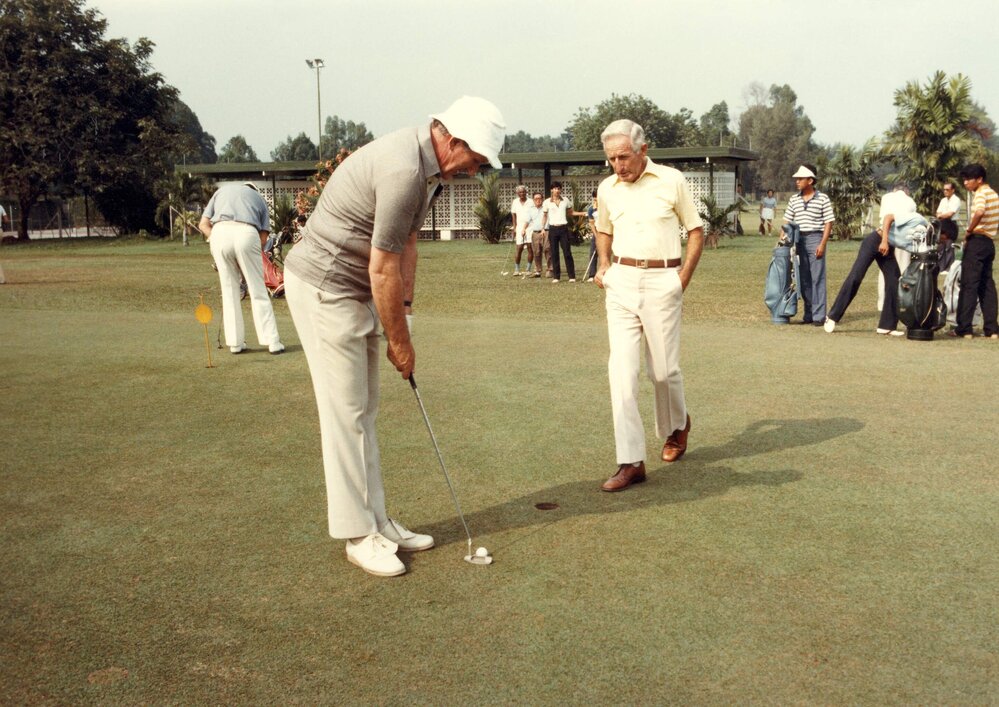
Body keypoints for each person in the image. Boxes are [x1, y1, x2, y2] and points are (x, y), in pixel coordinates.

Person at [282, 96, 506, 577]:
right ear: (453, 140)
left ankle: (378, 521)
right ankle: (357, 534)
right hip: (325, 287)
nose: (475, 171)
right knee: (345, 413)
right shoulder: (404, 171)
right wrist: (399, 342)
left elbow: (405, 244)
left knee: (363, 410)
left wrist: (404, 309)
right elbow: (381, 267)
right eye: (476, 160)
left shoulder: (427, 171)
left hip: (354, 286)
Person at [593, 119, 704, 492]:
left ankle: (677, 425)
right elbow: (603, 228)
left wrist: (681, 279)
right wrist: (604, 264)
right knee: (621, 373)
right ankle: (631, 461)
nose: (618, 165)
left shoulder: (672, 180)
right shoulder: (607, 187)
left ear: (643, 150)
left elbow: (695, 230)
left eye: (623, 156)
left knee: (663, 372)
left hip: (664, 281)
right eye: (611, 159)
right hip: (621, 283)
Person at [199, 182, 284, 354]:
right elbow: (263, 238)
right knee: (258, 290)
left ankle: (235, 344)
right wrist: (248, 256)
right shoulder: (259, 198)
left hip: (219, 233)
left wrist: (215, 240)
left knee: (230, 291)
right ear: (253, 189)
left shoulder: (221, 191)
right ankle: (272, 342)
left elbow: (203, 225)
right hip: (247, 233)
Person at [823, 184, 913, 336]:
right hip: (875, 241)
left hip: (887, 245)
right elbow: (887, 218)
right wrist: (884, 241)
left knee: (894, 282)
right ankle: (832, 317)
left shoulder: (905, 203)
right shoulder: (895, 199)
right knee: (856, 276)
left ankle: (887, 325)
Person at [949, 163, 998, 339]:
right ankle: (992, 329)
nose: (966, 183)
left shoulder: (980, 194)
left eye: (969, 179)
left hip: (977, 241)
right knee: (987, 286)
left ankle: (964, 328)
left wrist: (969, 231)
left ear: (979, 180)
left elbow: (979, 212)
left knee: (969, 285)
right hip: (989, 243)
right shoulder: (994, 194)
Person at [783, 164, 835, 325]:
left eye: (800, 179)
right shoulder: (794, 199)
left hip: (815, 238)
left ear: (810, 180)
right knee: (803, 278)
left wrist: (822, 244)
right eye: (797, 179)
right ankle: (809, 314)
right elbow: (787, 221)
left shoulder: (823, 198)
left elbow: (828, 222)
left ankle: (819, 316)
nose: (797, 181)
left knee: (817, 278)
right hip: (798, 239)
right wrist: (782, 240)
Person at [541, 181, 578, 283]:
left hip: (563, 229)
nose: (557, 190)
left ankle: (572, 276)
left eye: (558, 188)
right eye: (555, 188)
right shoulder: (547, 202)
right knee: (554, 253)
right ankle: (556, 277)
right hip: (552, 229)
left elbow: (571, 212)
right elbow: (544, 216)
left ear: (561, 189)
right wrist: (543, 228)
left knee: (567, 252)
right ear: (551, 190)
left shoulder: (565, 200)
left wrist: (584, 213)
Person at [935, 180, 962, 274]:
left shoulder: (956, 200)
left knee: (949, 245)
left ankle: (949, 267)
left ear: (953, 190)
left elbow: (950, 214)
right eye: (944, 190)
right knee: (941, 245)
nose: (945, 191)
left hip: (951, 225)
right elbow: (938, 213)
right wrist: (941, 215)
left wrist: (941, 215)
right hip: (942, 223)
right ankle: (941, 267)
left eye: (947, 189)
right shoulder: (943, 200)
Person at [510, 185, 533, 276]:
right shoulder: (515, 202)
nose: (522, 193)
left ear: (526, 192)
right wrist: (514, 228)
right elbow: (513, 215)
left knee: (530, 248)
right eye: (520, 192)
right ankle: (516, 269)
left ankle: (528, 269)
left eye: (523, 192)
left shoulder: (531, 201)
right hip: (519, 227)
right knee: (519, 248)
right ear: (517, 193)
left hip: (530, 227)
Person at [524, 191, 546, 277]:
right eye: (536, 199)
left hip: (545, 232)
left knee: (548, 250)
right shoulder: (531, 210)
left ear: (542, 199)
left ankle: (551, 269)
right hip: (535, 233)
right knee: (536, 252)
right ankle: (538, 271)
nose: (538, 200)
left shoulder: (546, 208)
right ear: (533, 200)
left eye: (540, 198)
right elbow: (527, 221)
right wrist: (523, 229)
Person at [585, 189, 599, 281]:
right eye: (594, 198)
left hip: (608, 232)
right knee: (593, 253)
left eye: (597, 197)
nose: (596, 200)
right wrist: (596, 236)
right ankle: (592, 275)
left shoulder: (607, 207)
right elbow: (591, 224)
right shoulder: (591, 209)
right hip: (597, 232)